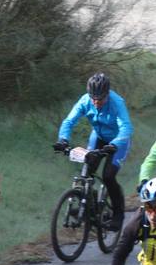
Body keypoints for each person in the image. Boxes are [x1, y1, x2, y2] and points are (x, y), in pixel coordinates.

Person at [56, 72, 133, 227]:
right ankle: (88, 206)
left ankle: (118, 215)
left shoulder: (116, 102)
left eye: (101, 99)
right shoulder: (85, 101)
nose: (96, 102)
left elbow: (126, 127)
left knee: (108, 176)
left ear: (107, 94)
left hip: (118, 141)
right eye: (94, 99)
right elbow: (69, 121)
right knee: (87, 170)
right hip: (98, 137)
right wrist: (63, 140)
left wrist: (115, 144)